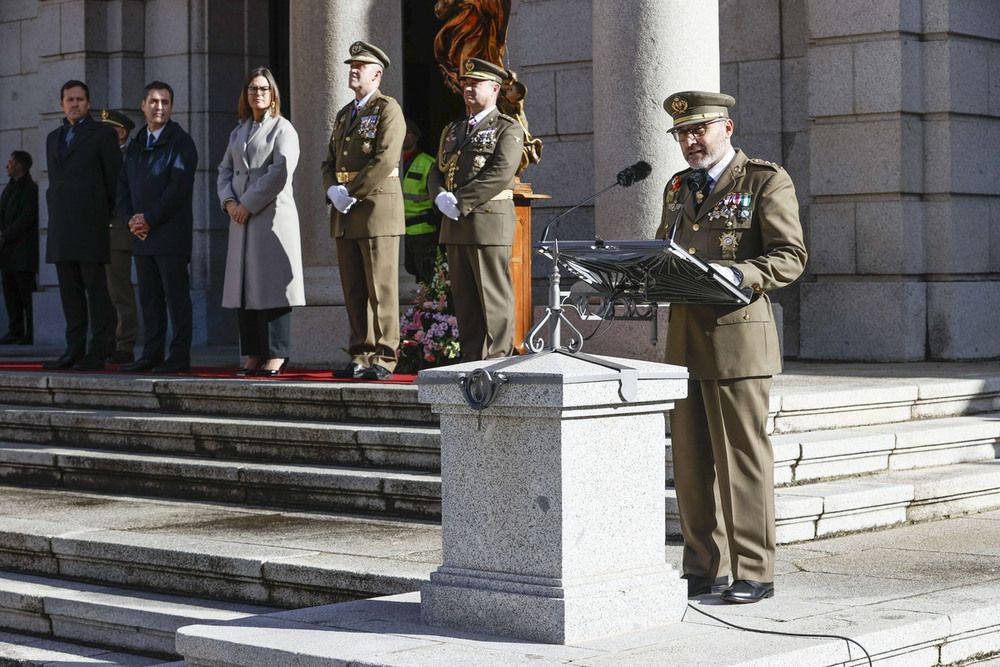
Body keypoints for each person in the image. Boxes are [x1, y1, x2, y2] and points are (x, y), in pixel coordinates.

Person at [654, 91, 807, 603]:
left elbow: (790, 256)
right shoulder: (677, 186)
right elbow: (664, 249)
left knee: (742, 461)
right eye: (682, 133)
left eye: (699, 130)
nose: (690, 141)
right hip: (684, 341)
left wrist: (737, 272)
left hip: (738, 340)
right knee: (691, 465)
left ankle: (754, 571)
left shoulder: (764, 179)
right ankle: (702, 568)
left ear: (728, 127)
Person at [428, 57, 524, 361]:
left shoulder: (507, 128)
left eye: (476, 83)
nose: (468, 87)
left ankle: (497, 359)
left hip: (487, 222)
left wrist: (461, 200)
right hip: (455, 223)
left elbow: (501, 172)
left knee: (493, 297)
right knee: (465, 300)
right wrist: (439, 196)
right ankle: (471, 359)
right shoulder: (454, 130)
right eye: (466, 82)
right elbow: (437, 168)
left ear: (495, 89)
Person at [321, 41, 405, 381]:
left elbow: (385, 158)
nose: (353, 69)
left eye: (360, 65)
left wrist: (349, 193)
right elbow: (328, 161)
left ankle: (385, 358)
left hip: (374, 209)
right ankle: (361, 353)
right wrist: (331, 190)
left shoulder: (388, 109)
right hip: (345, 211)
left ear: (377, 73)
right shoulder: (344, 114)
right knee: (354, 289)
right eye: (351, 65)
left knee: (380, 290)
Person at [218, 67, 305, 377]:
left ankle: (276, 354)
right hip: (240, 220)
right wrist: (229, 203)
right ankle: (254, 351)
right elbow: (224, 171)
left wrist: (247, 205)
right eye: (253, 88)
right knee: (247, 289)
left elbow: (279, 173)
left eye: (264, 89)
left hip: (269, 218)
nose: (258, 93)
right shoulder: (238, 132)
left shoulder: (283, 128)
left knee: (271, 288)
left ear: (273, 95)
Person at [117, 81, 199, 374]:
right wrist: (131, 219)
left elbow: (177, 190)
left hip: (169, 236)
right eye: (153, 101)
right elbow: (123, 186)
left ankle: (179, 356)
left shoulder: (181, 142)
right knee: (149, 300)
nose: (159, 107)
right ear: (143, 106)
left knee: (176, 299)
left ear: (171, 107)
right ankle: (151, 354)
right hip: (141, 236)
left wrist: (148, 219)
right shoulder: (137, 143)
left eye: (165, 102)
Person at [43, 80, 121, 371]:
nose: (74, 104)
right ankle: (73, 349)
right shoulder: (53, 137)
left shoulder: (102, 134)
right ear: (61, 104)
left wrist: (105, 214)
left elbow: (114, 179)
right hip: (62, 226)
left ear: (88, 104)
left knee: (96, 291)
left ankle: (98, 351)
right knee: (69, 293)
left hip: (91, 224)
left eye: (80, 99)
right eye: (69, 99)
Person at [100, 109, 139, 365]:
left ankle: (125, 344)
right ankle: (106, 342)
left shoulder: (131, 156)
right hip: (100, 232)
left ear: (121, 132)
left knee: (119, 292)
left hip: (120, 230)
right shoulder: (103, 155)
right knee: (103, 293)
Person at [0, 151, 38, 345]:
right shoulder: (9, 189)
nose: (8, 166)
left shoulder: (30, 189)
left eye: (11, 162)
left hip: (23, 252)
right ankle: (15, 330)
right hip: (7, 253)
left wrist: (5, 235)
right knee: (10, 294)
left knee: (25, 295)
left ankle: (29, 331)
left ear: (20, 165)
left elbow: (26, 218)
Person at [401, 118, 440, 286]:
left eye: (408, 132)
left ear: (416, 136)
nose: (404, 136)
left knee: (425, 278)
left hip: (421, 232)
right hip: (397, 230)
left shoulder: (427, 163)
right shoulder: (388, 162)